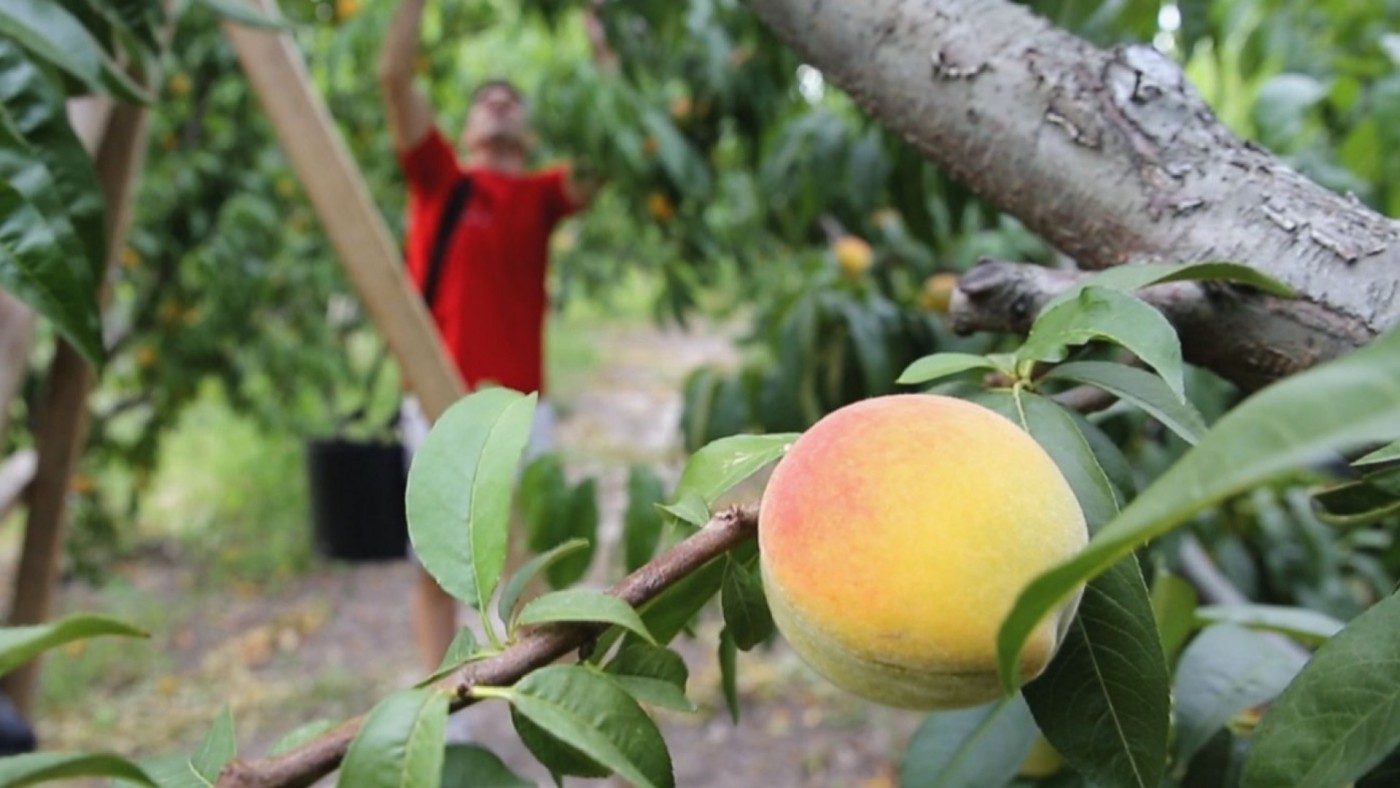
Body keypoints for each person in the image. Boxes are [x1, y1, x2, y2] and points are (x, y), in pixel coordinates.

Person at [377, 0, 606, 673]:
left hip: (524, 411)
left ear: (530, 135)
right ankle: (445, 701)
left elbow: (608, 149)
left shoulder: (542, 197)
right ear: (467, 130)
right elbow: (394, 77)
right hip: (439, 402)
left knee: (527, 556)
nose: (500, 101)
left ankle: (527, 688)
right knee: (436, 566)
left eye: (512, 99)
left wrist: (601, 41)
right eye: (486, 99)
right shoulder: (441, 181)